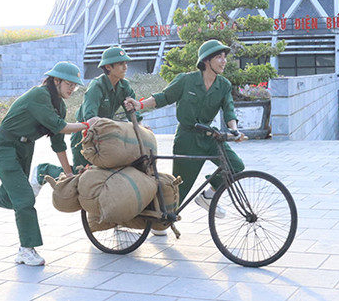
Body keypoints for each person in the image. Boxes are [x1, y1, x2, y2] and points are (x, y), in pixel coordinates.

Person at [0, 61, 91, 266]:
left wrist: (69, 173)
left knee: (11, 199)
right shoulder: (40, 95)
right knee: (25, 198)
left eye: (75, 85)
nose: (72, 88)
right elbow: (59, 126)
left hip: (25, 148)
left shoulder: (59, 106)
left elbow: (58, 141)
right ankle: (26, 250)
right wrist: (88, 124)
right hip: (4, 146)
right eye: (69, 83)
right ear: (56, 80)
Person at [125, 40, 246, 220]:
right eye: (219, 57)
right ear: (206, 61)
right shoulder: (186, 80)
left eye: (224, 57)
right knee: (180, 188)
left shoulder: (224, 85)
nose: (224, 61)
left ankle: (208, 196)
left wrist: (234, 130)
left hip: (210, 137)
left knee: (236, 166)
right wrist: (139, 105)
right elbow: (163, 97)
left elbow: (229, 110)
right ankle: (158, 220)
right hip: (187, 138)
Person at [31, 46, 141, 185]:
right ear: (108, 67)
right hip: (84, 135)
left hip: (105, 135)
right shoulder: (97, 86)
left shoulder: (124, 86)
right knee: (81, 175)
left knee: (104, 174)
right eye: (121, 64)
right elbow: (91, 117)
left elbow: (133, 111)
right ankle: (44, 171)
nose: (125, 67)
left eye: (126, 63)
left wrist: (140, 127)